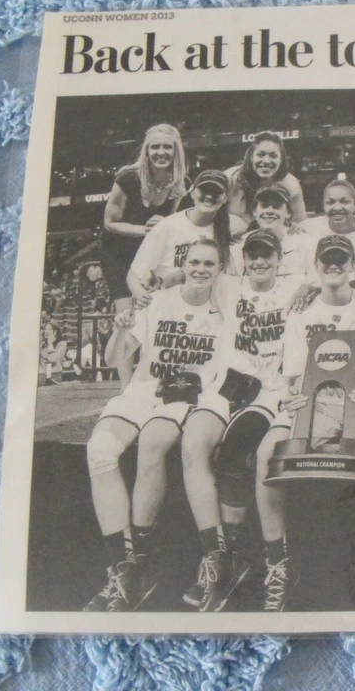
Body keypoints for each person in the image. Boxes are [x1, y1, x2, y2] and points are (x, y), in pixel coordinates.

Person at [253, 235, 355, 612]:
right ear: (316, 266)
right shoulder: (300, 310)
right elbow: (292, 374)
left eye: (341, 259)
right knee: (265, 454)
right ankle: (278, 565)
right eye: (327, 260)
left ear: (354, 265)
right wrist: (294, 395)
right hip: (315, 397)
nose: (334, 266)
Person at [83, 239, 229, 612]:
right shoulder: (158, 302)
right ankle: (122, 566)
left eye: (208, 264)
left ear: (220, 268)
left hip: (186, 397)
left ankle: (142, 565)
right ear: (183, 263)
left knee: (152, 442)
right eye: (194, 262)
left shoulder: (226, 305)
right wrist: (120, 328)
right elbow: (115, 357)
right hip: (145, 389)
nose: (200, 269)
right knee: (99, 450)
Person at [175, 229, 302, 611]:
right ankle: (216, 556)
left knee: (236, 453)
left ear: (281, 257)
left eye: (268, 254)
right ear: (242, 258)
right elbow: (189, 270)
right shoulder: (229, 285)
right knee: (192, 445)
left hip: (269, 388)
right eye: (253, 255)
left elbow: (335, 276)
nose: (260, 261)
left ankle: (242, 553)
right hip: (228, 383)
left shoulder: (296, 285)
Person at [100, 124, 188, 385]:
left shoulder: (182, 184)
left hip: (154, 256)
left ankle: (156, 378)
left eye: (167, 147)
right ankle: (126, 389)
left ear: (176, 151)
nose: (161, 152)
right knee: (127, 314)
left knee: (155, 312)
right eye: (155, 147)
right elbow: (109, 221)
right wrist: (144, 229)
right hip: (119, 251)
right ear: (146, 150)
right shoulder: (128, 177)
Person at [127, 170, 233, 298]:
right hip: (167, 303)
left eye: (216, 192)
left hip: (206, 305)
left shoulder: (229, 230)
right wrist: (142, 298)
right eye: (204, 190)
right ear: (193, 193)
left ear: (225, 198)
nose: (209, 196)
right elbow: (134, 275)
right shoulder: (168, 226)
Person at [225, 131, 306, 236]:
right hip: (234, 237)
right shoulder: (230, 178)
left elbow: (302, 223)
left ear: (281, 160)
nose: (266, 161)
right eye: (260, 154)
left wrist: (296, 226)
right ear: (251, 157)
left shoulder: (290, 184)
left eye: (273, 156)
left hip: (272, 237)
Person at [230, 186, 316, 280]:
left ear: (288, 213)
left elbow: (314, 280)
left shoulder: (306, 242)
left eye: (277, 206)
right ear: (254, 211)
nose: (270, 211)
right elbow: (234, 282)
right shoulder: (239, 244)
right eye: (264, 206)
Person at [299, 179, 355, 267]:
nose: (337, 208)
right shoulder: (309, 227)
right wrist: (293, 228)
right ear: (323, 205)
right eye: (330, 202)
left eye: (344, 202)